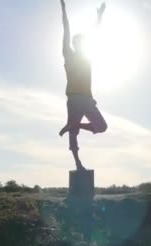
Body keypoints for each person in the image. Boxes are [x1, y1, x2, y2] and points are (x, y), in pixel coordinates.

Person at [58, 0, 108, 171]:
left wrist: (99, 16)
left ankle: (73, 124)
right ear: (73, 44)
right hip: (74, 98)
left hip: (87, 98)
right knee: (73, 135)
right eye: (77, 43)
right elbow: (66, 29)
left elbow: (95, 34)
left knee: (102, 126)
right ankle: (78, 164)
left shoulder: (87, 57)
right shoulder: (68, 54)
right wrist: (63, 8)